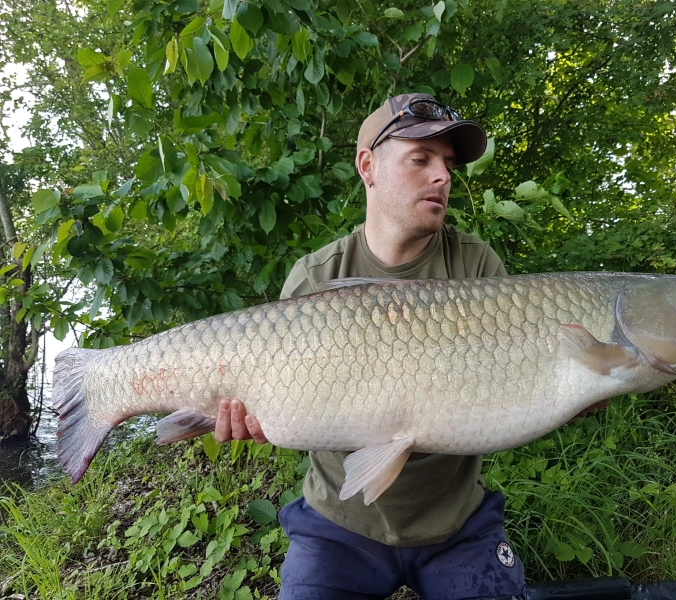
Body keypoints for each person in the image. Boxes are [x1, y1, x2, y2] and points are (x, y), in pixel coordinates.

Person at [215, 93, 528, 599]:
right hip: (340, 523)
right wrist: (259, 415)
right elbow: (286, 402)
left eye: (447, 164)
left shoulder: (478, 267)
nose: (443, 177)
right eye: (420, 159)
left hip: (456, 524)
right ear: (368, 166)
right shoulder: (317, 276)